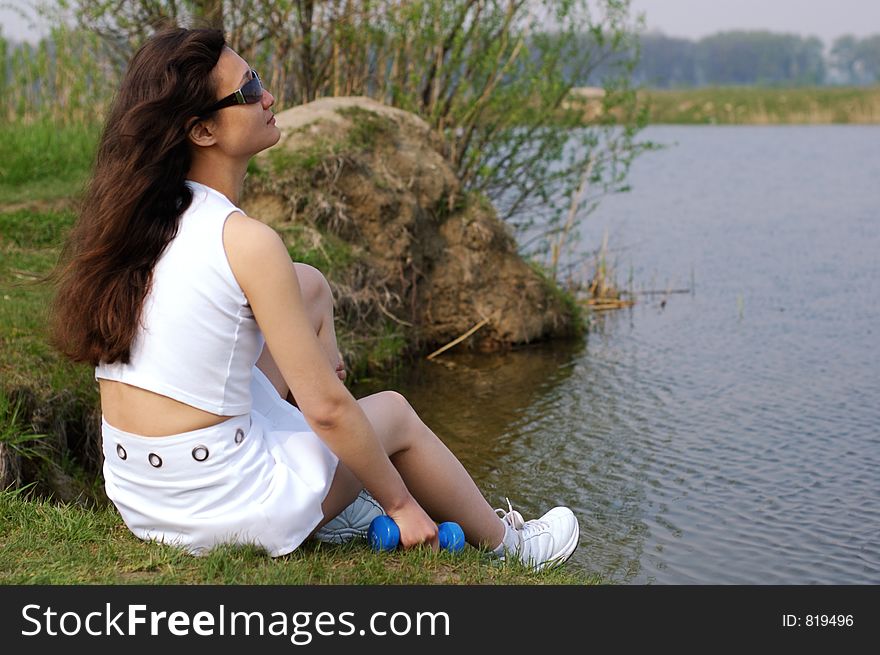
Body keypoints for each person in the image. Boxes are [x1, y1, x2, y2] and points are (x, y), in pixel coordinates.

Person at [49, 27, 579, 571]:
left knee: (307, 285)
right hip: (220, 507)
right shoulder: (246, 241)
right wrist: (402, 505)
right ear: (203, 130)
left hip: (141, 495)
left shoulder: (139, 222)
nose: (268, 95)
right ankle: (512, 548)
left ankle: (334, 493)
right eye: (250, 89)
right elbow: (326, 408)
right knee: (393, 413)